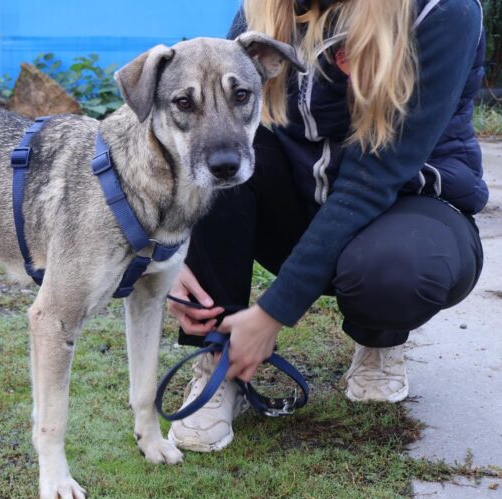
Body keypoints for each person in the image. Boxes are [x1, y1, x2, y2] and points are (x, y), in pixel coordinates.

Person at [166, 0, 487, 452]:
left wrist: (272, 314)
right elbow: (204, 120)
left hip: (409, 203)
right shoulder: (264, 8)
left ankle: (380, 339)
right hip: (299, 199)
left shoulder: (443, 10)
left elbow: (373, 178)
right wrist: (168, 249)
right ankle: (220, 359)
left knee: (396, 271)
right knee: (223, 166)